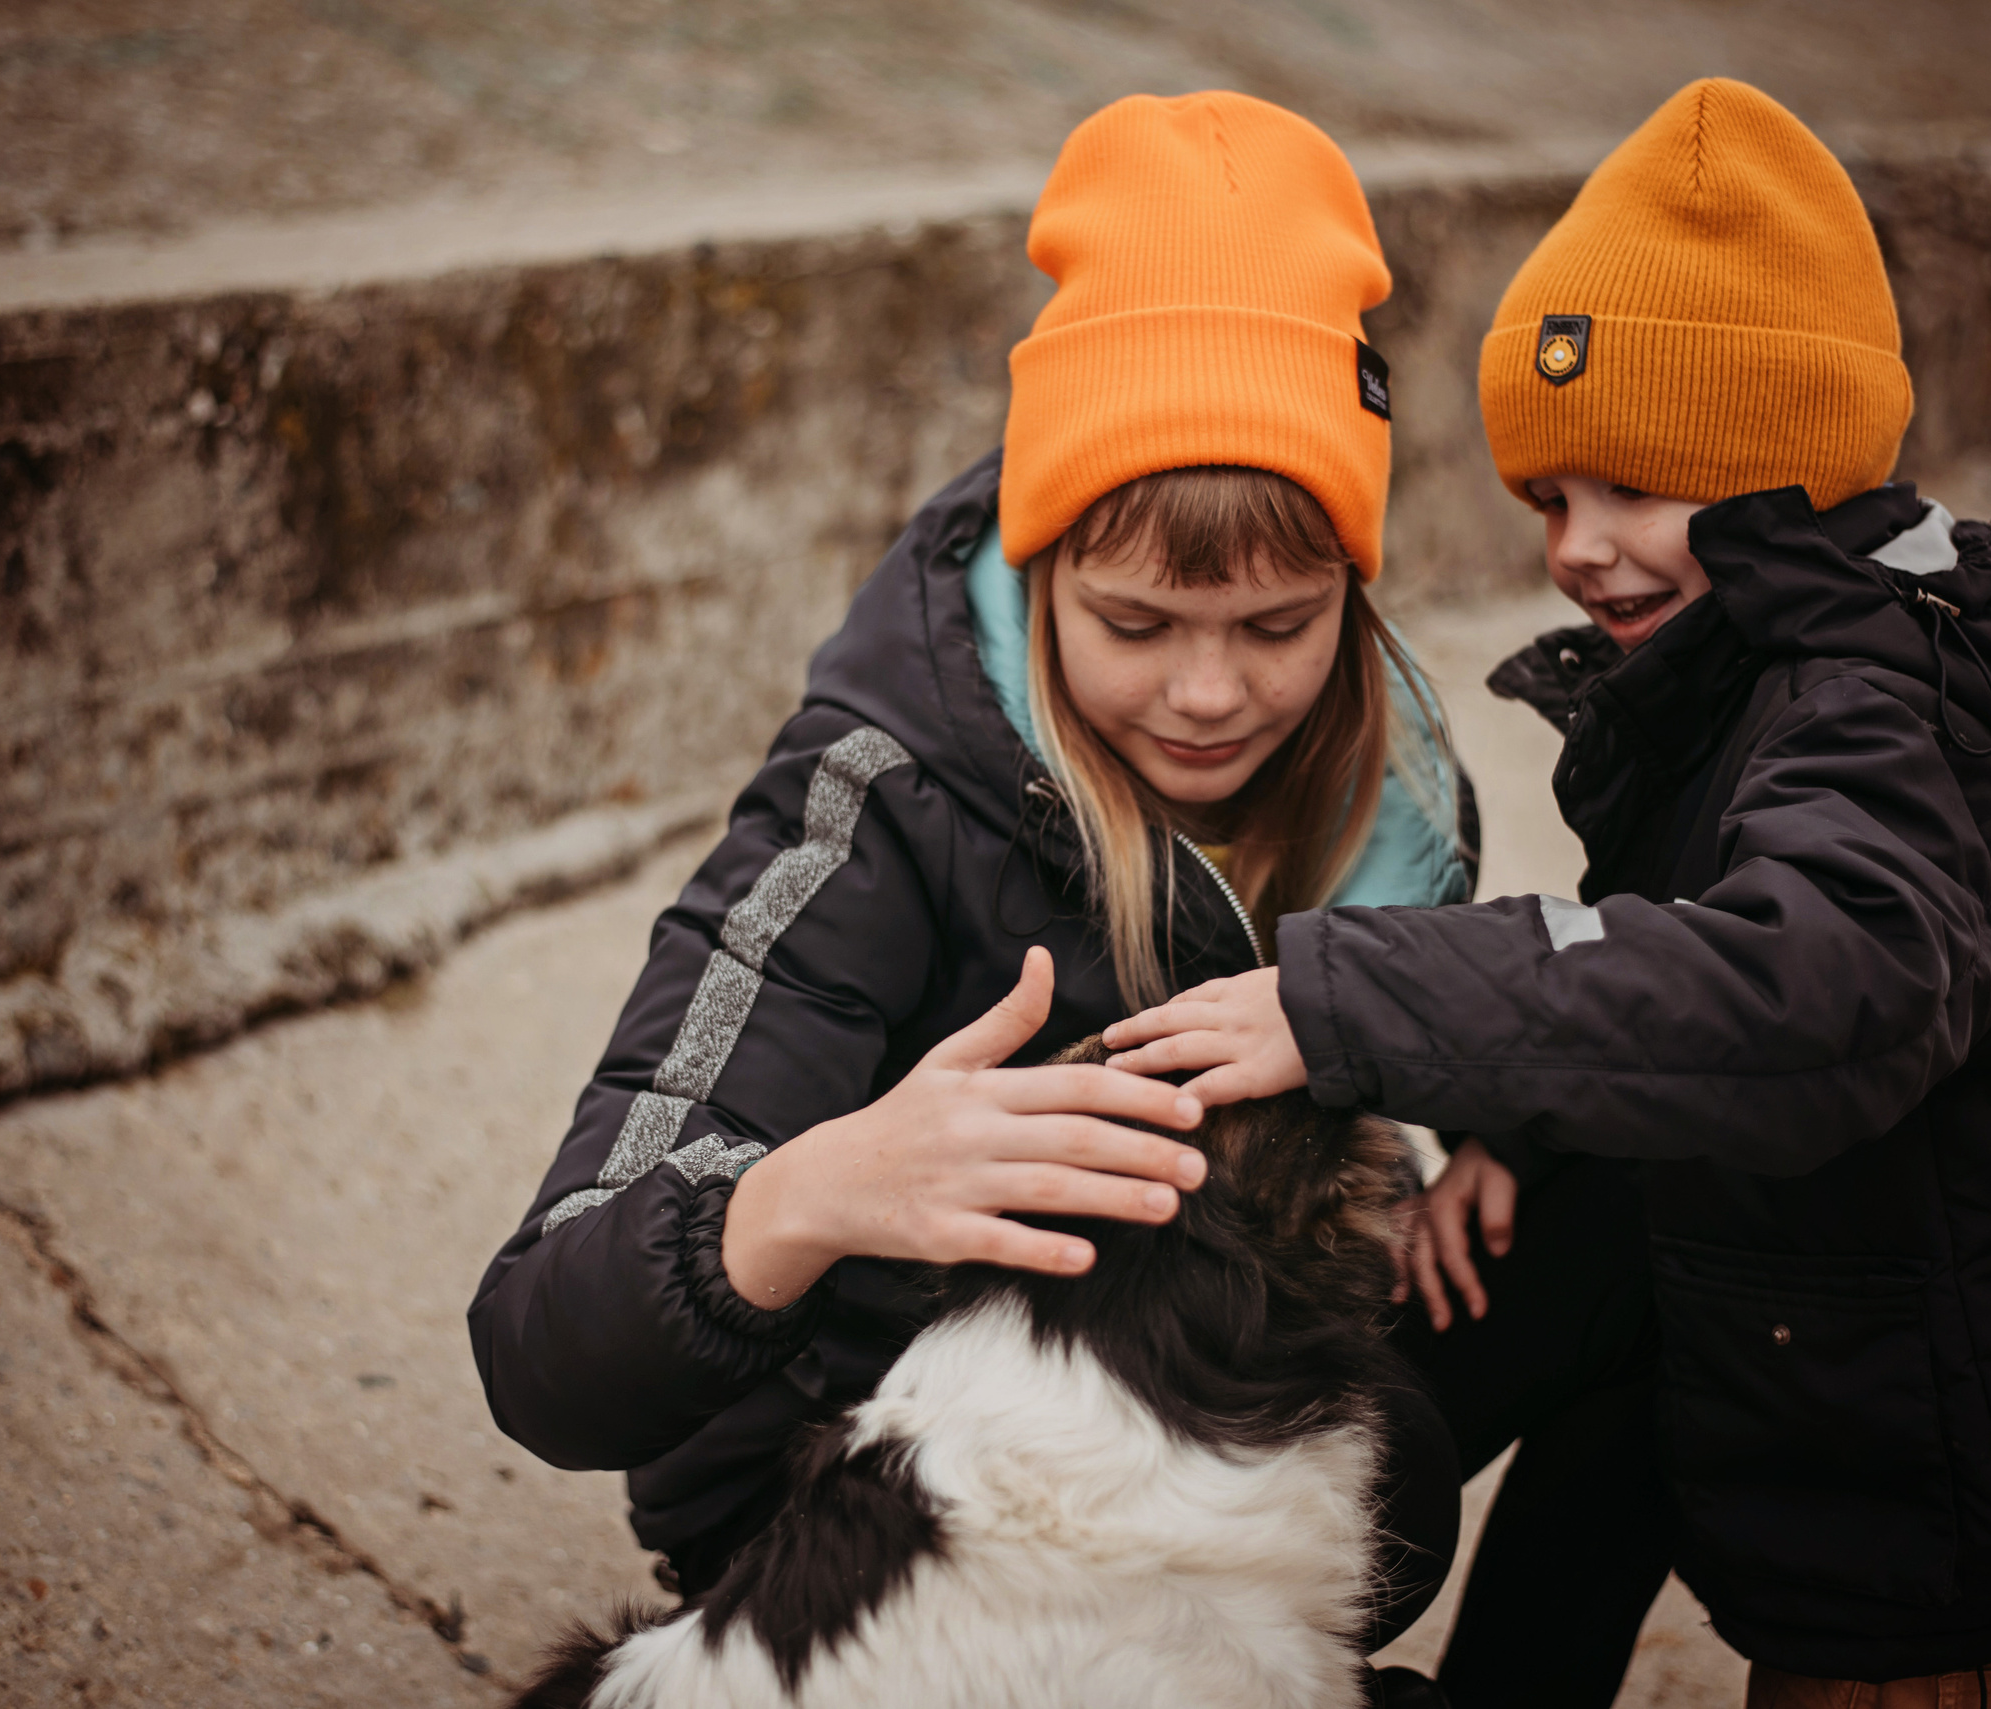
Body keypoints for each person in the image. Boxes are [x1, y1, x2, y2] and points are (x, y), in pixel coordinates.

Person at [1104, 78, 1991, 1707]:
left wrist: (1350, 999)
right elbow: (1671, 962)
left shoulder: (1880, 710)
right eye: (1549, 499)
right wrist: (1530, 1127)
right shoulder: (1757, 669)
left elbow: (1807, 985)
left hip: (1957, 1519)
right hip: (1854, 1423)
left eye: (1631, 486)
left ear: (1790, 469)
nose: (1575, 546)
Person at [471, 91, 1498, 1682]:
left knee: (1661, 1213)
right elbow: (541, 1347)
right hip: (852, 1509)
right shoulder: (876, 797)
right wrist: (823, 1189)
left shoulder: (1407, 813)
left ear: (1354, 592)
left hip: (1210, 1446)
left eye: (1281, 625)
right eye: (1139, 624)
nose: (1213, 695)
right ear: (1040, 567)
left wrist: (1490, 1123)